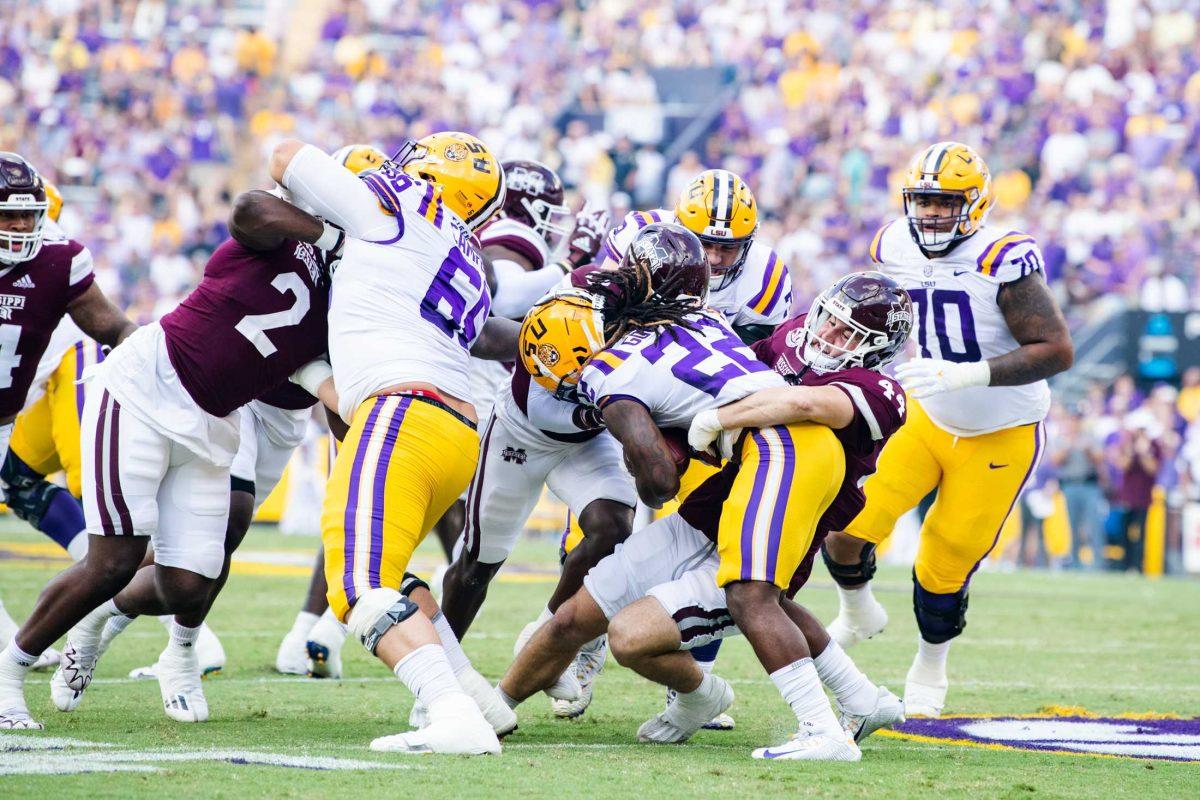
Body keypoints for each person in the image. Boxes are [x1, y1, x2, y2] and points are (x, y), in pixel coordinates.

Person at [498, 272, 912, 760]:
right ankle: (494, 705)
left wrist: (718, 419)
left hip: (788, 517)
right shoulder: (793, 337)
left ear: (878, 349)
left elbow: (804, 402)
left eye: (849, 334)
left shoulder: (882, 390)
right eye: (829, 320)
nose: (827, 335)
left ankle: (817, 727)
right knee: (583, 613)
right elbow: (730, 379)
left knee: (725, 606)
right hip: (716, 504)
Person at [269, 133, 521, 755]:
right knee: (387, 574)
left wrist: (327, 229)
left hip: (404, 413)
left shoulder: (401, 201)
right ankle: (477, 699)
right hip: (451, 429)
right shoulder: (462, 250)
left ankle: (450, 712)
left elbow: (284, 156)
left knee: (355, 587)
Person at [821, 142, 1074, 718]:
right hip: (926, 412)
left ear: (976, 203)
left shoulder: (1003, 259)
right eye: (924, 201)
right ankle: (858, 611)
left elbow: (1057, 350)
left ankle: (931, 662)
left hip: (1002, 428)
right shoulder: (891, 244)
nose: (932, 213)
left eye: (945, 202)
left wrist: (973, 373)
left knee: (944, 558)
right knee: (843, 523)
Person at [439, 223, 711, 714]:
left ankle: (546, 635)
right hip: (521, 434)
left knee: (612, 527)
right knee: (477, 566)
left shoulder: (672, 332)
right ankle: (439, 678)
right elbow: (503, 341)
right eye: (673, 294)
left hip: (589, 439)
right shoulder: (581, 303)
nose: (680, 309)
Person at [0, 153, 139, 730]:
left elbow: (111, 327)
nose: (21, 230)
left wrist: (172, 360)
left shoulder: (59, 261)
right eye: (8, 219)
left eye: (28, 218)